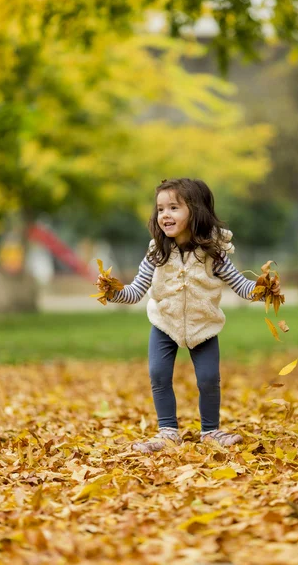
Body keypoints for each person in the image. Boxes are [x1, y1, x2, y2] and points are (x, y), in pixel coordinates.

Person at [100, 178, 266, 453]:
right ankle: (168, 432)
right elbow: (135, 292)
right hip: (165, 323)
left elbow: (241, 285)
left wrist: (262, 289)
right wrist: (114, 291)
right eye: (161, 209)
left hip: (203, 326)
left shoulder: (215, 253)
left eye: (174, 207)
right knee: (158, 374)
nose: (165, 214)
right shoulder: (157, 252)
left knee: (209, 378)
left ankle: (210, 432)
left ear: (196, 210)